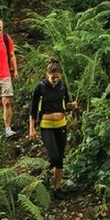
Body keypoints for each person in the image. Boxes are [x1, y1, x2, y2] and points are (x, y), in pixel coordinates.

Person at [28, 59, 79, 197]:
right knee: (54, 156)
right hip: (47, 126)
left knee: (60, 158)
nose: (55, 80)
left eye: (58, 77)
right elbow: (33, 110)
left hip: (61, 124)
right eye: (52, 78)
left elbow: (66, 104)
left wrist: (72, 105)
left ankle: (57, 188)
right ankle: (43, 174)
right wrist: (32, 129)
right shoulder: (40, 87)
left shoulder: (62, 86)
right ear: (47, 74)